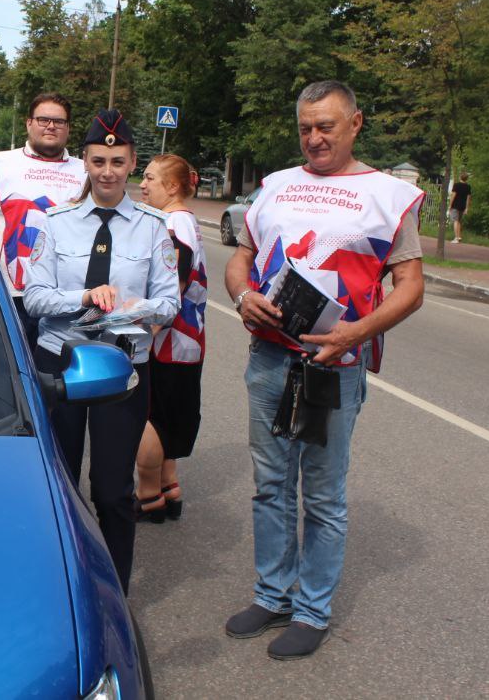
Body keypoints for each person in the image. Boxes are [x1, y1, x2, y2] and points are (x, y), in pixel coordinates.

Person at [223, 81, 425, 660]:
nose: (314, 139)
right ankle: (272, 594)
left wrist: (357, 333)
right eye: (306, 128)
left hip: (333, 365)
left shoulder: (388, 196)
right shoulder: (275, 186)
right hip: (269, 356)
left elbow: (411, 289)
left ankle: (312, 610)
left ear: (355, 124)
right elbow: (241, 258)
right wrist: (242, 298)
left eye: (326, 128)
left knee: (323, 495)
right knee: (270, 485)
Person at [23, 108, 180, 594]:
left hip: (120, 368)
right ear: (85, 164)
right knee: (61, 484)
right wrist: (84, 297)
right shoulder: (55, 223)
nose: (107, 172)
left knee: (113, 491)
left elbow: (170, 304)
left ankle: (113, 592)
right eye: (97, 161)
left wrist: (137, 307)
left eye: (116, 160)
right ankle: (61, 586)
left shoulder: (154, 228)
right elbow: (34, 298)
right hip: (62, 365)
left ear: (132, 162)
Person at [0, 93, 86, 335]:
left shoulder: (84, 172)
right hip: (9, 297)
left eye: (59, 121)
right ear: (28, 123)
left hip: (66, 300)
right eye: (43, 119)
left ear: (68, 128)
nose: (51, 126)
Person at [134, 154, 207, 523]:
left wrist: (144, 339)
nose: (142, 184)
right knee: (168, 417)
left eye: (149, 178)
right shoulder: (186, 221)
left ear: (173, 186)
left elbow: (171, 291)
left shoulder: (172, 224)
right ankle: (169, 489)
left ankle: (147, 498)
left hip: (167, 344)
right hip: (187, 342)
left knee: (147, 418)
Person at [448, 171, 471, 243]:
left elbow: (453, 196)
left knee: (455, 221)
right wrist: (466, 208)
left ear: (460, 177)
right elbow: (468, 198)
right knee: (459, 221)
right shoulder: (468, 186)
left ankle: (456, 238)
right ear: (466, 179)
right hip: (462, 206)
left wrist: (450, 205)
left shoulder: (456, 185)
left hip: (455, 205)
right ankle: (459, 236)